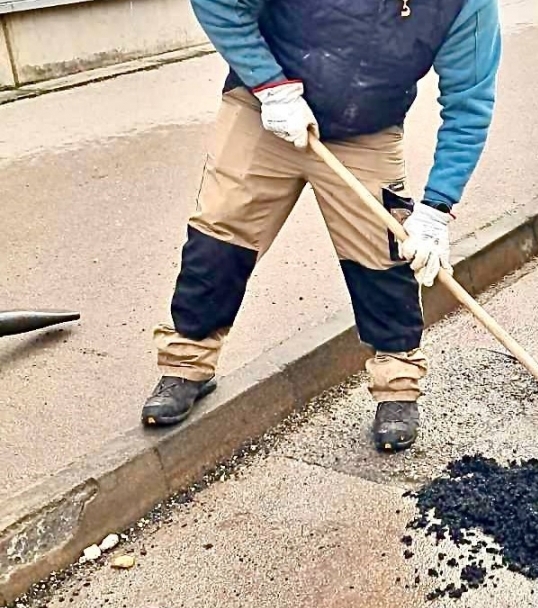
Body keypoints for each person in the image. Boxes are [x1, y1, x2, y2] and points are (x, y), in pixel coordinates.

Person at [140, 0, 502, 452]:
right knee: (219, 240)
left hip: (366, 133)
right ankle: (186, 364)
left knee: (382, 260)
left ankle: (397, 387)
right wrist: (271, 87)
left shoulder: (465, 5)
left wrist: (436, 209)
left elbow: (469, 104)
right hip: (264, 113)